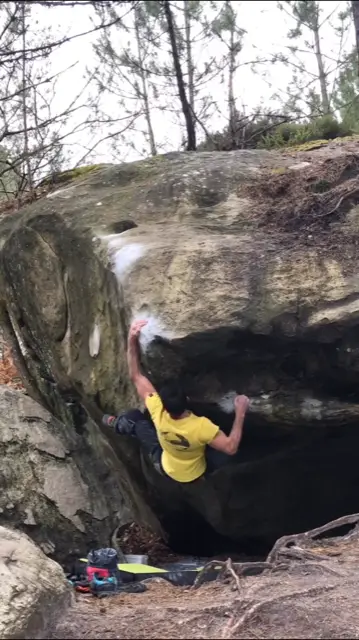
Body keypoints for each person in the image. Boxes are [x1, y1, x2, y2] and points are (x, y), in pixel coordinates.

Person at [103, 320, 249, 483]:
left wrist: (131, 339)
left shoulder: (158, 412)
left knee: (134, 418)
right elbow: (230, 447)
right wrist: (240, 412)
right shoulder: (201, 427)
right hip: (195, 472)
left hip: (166, 465)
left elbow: (136, 376)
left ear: (163, 406)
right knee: (231, 448)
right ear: (187, 400)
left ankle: (118, 424)